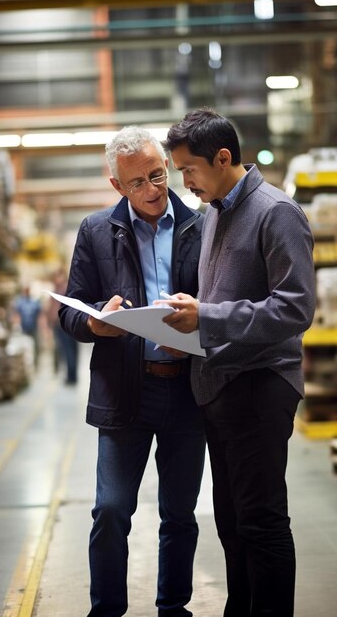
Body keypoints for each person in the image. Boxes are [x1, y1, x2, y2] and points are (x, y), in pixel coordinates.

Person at [159, 108, 316, 617]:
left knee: (261, 521)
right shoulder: (213, 215)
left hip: (261, 383)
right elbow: (219, 300)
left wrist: (207, 316)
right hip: (220, 386)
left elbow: (294, 308)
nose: (186, 181)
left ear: (223, 158)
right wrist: (185, 319)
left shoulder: (276, 212)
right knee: (230, 520)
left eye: (189, 169)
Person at [59, 126, 206, 617]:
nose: (152, 190)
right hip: (125, 392)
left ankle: (173, 607)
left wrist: (196, 326)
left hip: (186, 391)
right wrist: (95, 323)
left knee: (180, 514)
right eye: (137, 183)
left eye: (158, 175)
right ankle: (106, 609)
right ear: (116, 186)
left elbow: (221, 305)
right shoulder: (96, 231)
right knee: (112, 509)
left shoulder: (200, 226)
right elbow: (69, 311)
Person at [47, 267, 78, 384]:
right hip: (60, 324)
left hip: (64, 324)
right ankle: (71, 375)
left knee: (69, 351)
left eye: (57, 276)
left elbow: (56, 309)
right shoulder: (57, 289)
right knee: (68, 351)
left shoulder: (63, 289)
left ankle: (72, 377)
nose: (55, 279)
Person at [13, 286, 42, 367]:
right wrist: (16, 325)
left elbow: (40, 315)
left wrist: (42, 327)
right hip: (24, 329)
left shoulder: (34, 302)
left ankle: (36, 363)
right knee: (26, 347)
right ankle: (27, 364)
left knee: (35, 347)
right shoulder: (20, 302)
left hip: (34, 328)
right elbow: (17, 314)